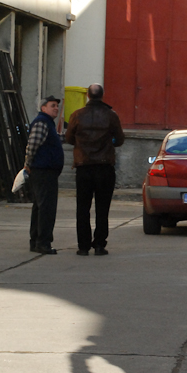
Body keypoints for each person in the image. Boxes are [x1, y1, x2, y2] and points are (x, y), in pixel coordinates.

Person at [65, 83, 125, 256]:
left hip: (83, 166)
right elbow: (120, 140)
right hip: (105, 167)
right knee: (102, 208)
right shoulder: (111, 115)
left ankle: (83, 246)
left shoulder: (77, 115)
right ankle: (99, 244)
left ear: (88, 96)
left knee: (83, 208)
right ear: (102, 96)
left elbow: (69, 138)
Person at [25, 96, 64, 255]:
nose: (56, 108)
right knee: (46, 208)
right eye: (52, 105)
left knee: (40, 207)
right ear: (43, 108)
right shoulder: (42, 122)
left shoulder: (48, 123)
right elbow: (33, 144)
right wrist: (28, 163)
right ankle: (43, 242)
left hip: (45, 170)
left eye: (57, 106)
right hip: (43, 171)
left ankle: (36, 241)